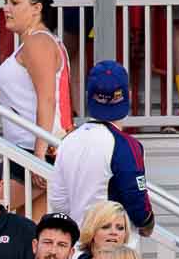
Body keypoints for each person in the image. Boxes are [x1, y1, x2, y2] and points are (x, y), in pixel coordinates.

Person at [0, 0, 70, 215]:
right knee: (30, 232)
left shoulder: (37, 42)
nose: (6, 8)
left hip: (34, 148)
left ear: (37, 9)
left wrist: (38, 155)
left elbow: (47, 99)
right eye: (5, 2)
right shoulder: (40, 41)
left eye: (14, 2)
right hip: (37, 145)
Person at [48, 61, 155, 237]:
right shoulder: (127, 145)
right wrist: (147, 222)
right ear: (128, 95)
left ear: (89, 96)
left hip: (78, 248)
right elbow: (137, 204)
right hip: (116, 252)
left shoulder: (67, 141)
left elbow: (58, 202)